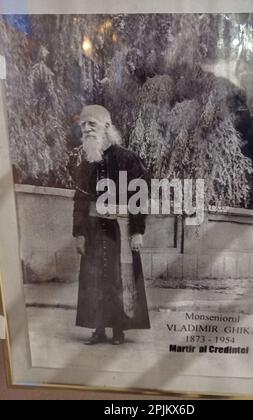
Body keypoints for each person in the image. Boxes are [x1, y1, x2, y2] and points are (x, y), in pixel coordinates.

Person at [73, 105, 150, 345]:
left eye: (91, 124)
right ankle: (98, 330)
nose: (86, 129)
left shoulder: (127, 158)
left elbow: (140, 195)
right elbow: (80, 200)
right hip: (95, 231)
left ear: (106, 126)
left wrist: (137, 230)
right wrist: (79, 233)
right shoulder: (86, 162)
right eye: (83, 125)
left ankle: (119, 330)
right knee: (94, 279)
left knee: (119, 278)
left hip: (121, 230)